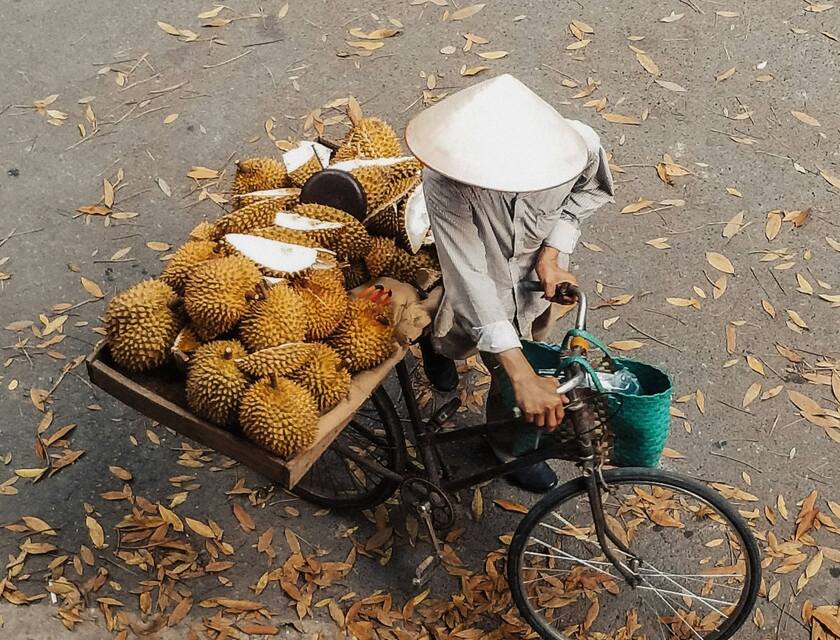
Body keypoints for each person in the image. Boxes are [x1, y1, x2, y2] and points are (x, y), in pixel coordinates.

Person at [405, 74, 614, 492]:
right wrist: (520, 375)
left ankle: (506, 450)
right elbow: (470, 276)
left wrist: (551, 254)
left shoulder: (579, 147)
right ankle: (435, 344)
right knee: (490, 351)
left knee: (527, 361)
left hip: (533, 282)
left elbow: (585, 195)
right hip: (481, 275)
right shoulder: (445, 181)